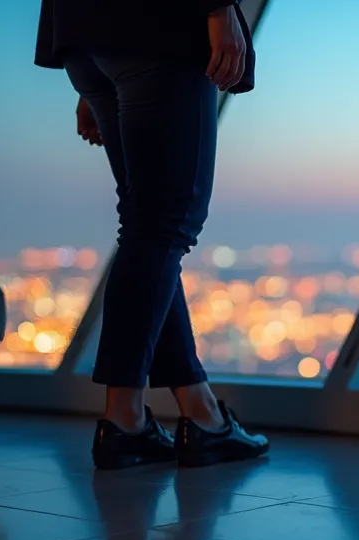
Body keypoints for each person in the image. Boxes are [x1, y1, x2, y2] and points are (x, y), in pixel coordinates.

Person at [36, 0, 268, 470]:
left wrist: (96, 75)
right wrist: (219, 7)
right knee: (164, 225)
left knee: (150, 227)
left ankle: (200, 413)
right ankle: (123, 419)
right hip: (159, 28)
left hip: (85, 35)